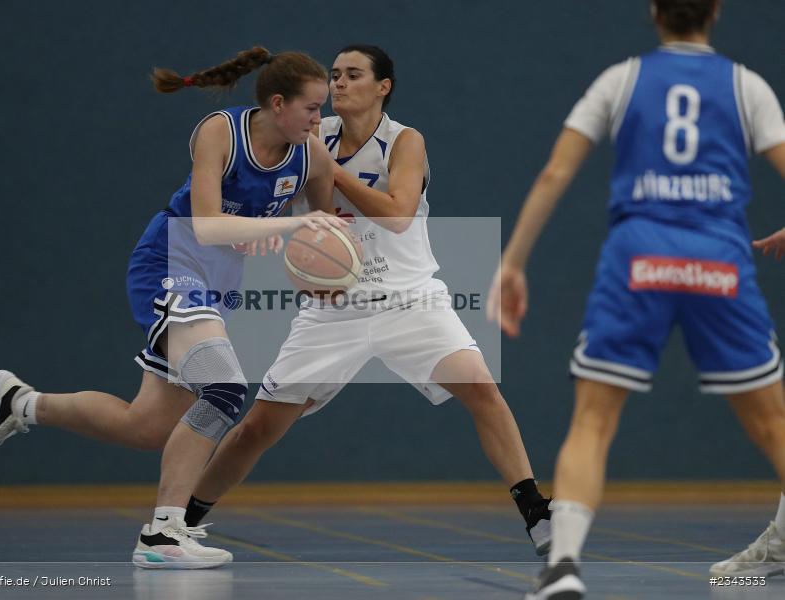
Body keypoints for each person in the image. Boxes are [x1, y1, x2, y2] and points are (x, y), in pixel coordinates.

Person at [0, 47, 347, 569]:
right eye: (312, 108)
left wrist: (313, 262)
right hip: (171, 259)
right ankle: (162, 535)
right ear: (278, 104)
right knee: (226, 388)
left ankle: (21, 403)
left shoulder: (311, 155)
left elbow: (319, 233)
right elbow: (208, 224)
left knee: (146, 427)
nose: (320, 120)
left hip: (219, 283)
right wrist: (281, 226)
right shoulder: (220, 133)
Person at [180, 45, 553, 555]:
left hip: (409, 298)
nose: (339, 84)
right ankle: (184, 519)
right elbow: (288, 208)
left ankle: (537, 512)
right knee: (258, 428)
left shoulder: (403, 141)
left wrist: (330, 170)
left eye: (353, 75)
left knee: (481, 387)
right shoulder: (309, 135)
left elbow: (398, 215)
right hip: (335, 307)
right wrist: (278, 243)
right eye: (334, 75)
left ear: (383, 87)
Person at [485, 1, 785, 597]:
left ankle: (563, 566)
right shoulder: (745, 85)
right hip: (718, 260)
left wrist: (513, 263)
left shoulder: (621, 80)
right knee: (773, 424)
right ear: (716, 12)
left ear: (654, 12)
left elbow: (554, 174)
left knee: (593, 421)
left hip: (639, 259)